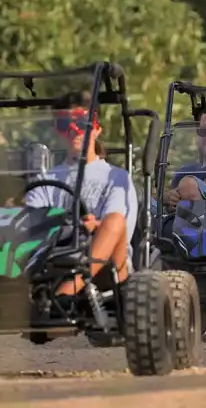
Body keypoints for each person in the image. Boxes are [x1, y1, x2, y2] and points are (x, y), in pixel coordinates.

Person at [24, 103, 138, 297]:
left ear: (97, 129)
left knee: (114, 221)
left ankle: (67, 293)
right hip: (55, 257)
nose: (74, 130)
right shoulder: (45, 179)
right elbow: (29, 222)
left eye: (82, 123)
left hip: (107, 265)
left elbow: (120, 231)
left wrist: (96, 226)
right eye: (65, 123)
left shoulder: (117, 177)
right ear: (58, 131)